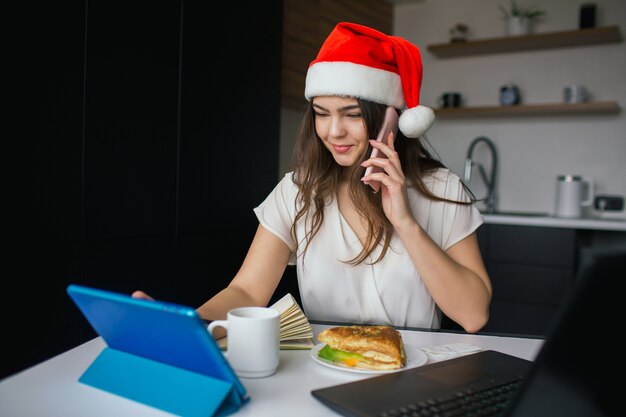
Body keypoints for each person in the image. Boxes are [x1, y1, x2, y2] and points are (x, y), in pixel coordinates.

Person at [134, 22, 492, 333]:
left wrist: (404, 221)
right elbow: (246, 292)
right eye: (322, 113)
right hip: (326, 369)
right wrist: (188, 324)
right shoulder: (296, 191)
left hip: (414, 378)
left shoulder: (442, 189)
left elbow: (473, 315)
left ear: (391, 119)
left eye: (351, 114)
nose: (333, 131)